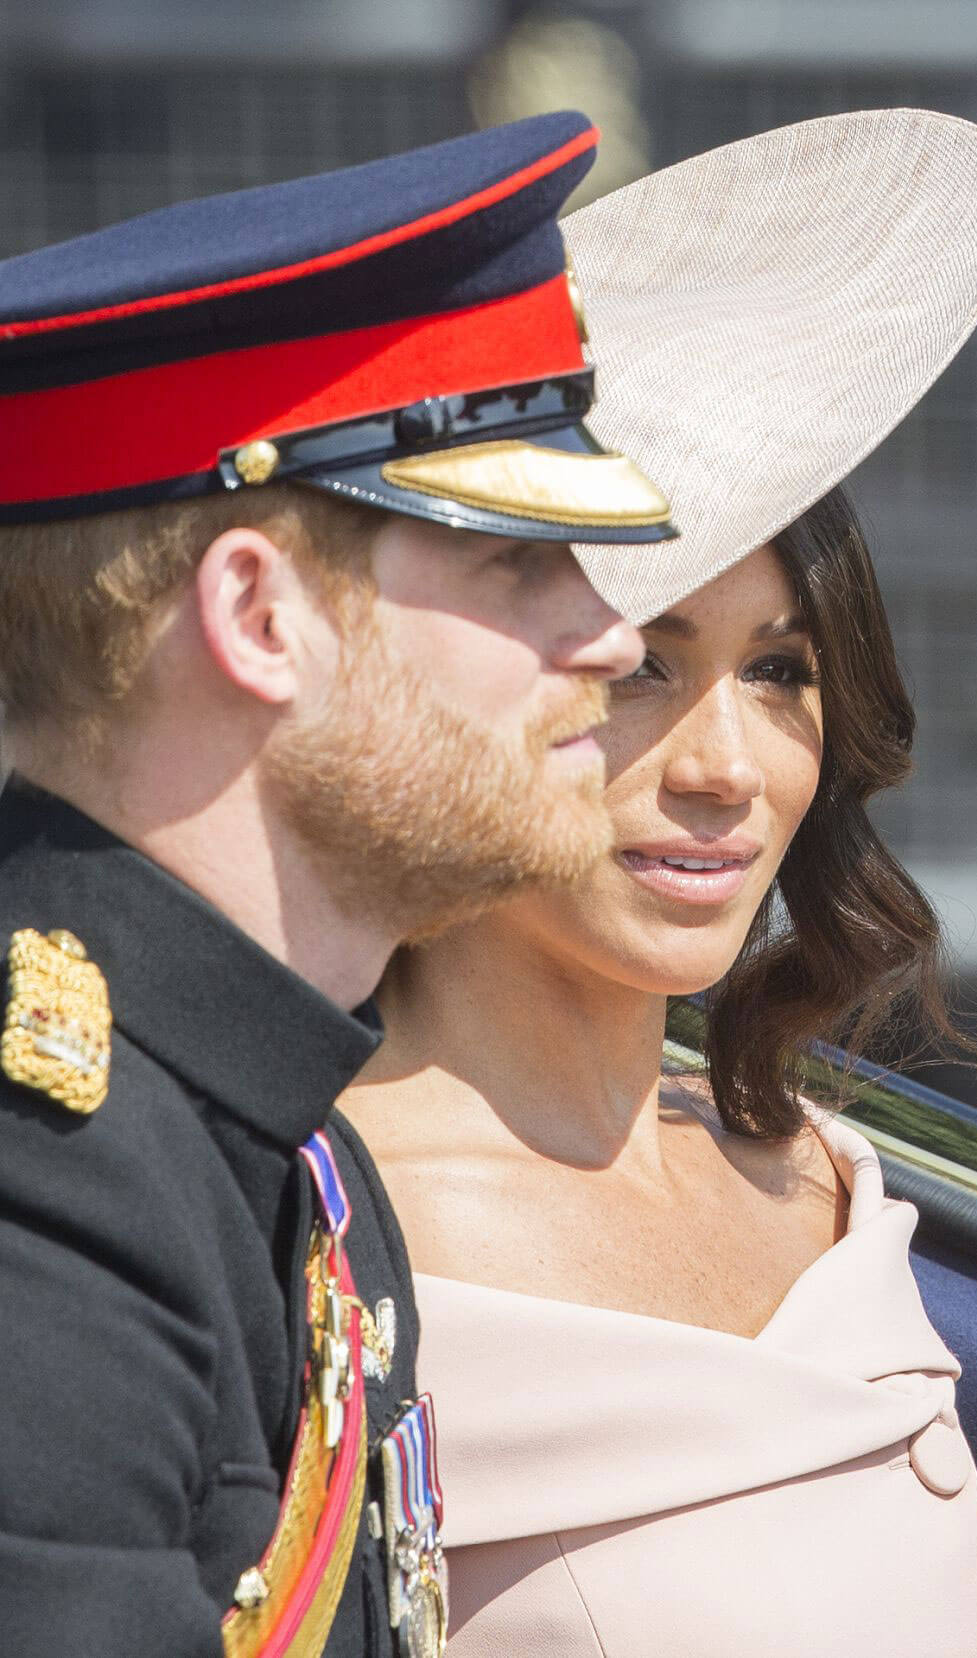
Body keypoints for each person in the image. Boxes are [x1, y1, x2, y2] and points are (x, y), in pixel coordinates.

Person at [339, 110, 977, 1655]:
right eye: (646, 663)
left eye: (781, 670)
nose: (728, 763)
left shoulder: (827, 1181)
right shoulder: (306, 1236)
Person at [0, 110, 678, 1658]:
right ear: (257, 614)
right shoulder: (40, 1180)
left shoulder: (281, 1141)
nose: (614, 638)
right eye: (518, 561)